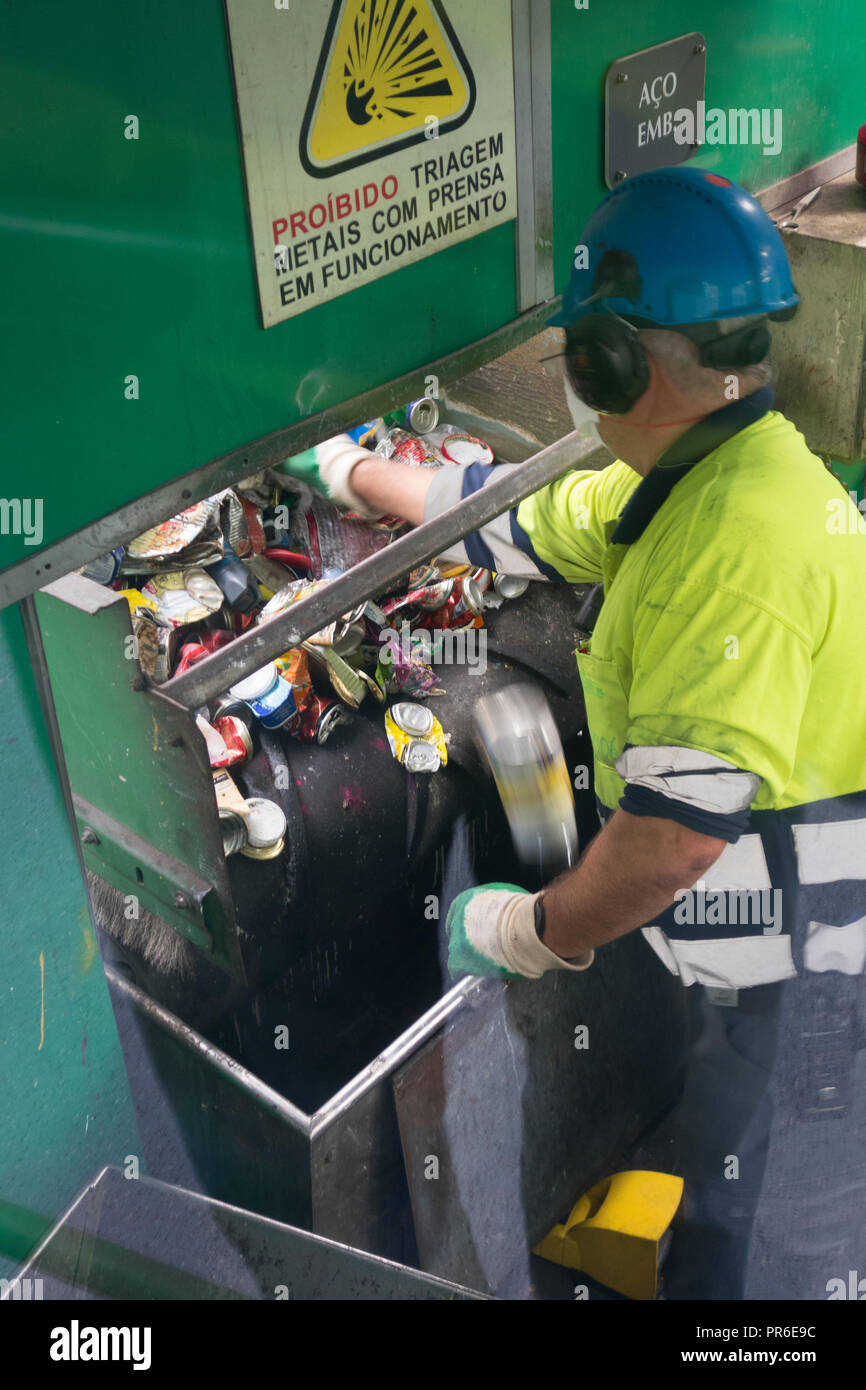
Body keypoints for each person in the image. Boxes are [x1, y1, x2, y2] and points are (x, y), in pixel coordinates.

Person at [284, 167, 866, 1299]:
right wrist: (352, 472)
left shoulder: (732, 549)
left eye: (577, 356)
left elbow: (673, 840)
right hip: (762, 965)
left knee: (761, 1259)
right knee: (720, 1190)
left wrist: (535, 929)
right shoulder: (696, 474)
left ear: (610, 361)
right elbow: (504, 522)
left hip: (818, 985)